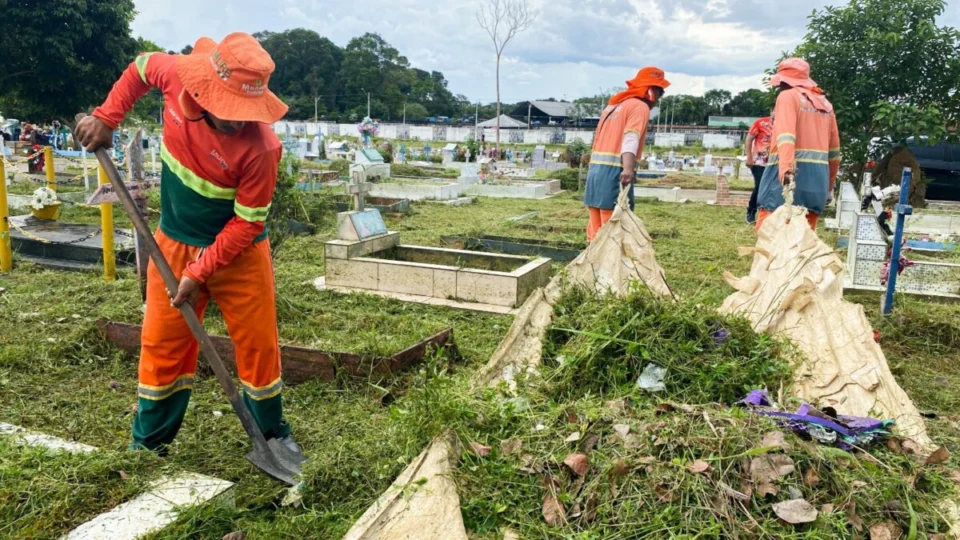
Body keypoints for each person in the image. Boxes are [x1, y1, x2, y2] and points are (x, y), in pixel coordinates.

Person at [75, 33, 298, 455]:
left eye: (246, 111)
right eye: (231, 109)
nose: (238, 121)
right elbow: (140, 66)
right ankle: (149, 445)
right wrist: (106, 117)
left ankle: (273, 437)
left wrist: (199, 272)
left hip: (240, 256)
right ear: (206, 90)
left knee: (258, 347)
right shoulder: (176, 75)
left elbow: (246, 225)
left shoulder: (263, 148)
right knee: (163, 344)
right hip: (174, 245)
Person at [584, 66, 670, 242]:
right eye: (660, 93)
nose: (658, 100)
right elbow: (631, 137)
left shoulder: (614, 106)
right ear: (651, 91)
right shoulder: (639, 107)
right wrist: (628, 169)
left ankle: (593, 264)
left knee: (596, 226)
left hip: (595, 173)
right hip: (614, 172)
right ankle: (609, 266)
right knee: (614, 227)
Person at [755, 58, 840, 232]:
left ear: (784, 81)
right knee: (804, 244)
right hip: (818, 185)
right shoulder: (825, 105)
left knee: (770, 239)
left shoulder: (788, 97)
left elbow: (786, 137)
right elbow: (834, 153)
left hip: (787, 181)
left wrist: (786, 171)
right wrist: (829, 188)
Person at [744, 108, 774, 224]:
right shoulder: (760, 123)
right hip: (759, 162)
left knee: (774, 189)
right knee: (760, 187)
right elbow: (749, 139)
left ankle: (768, 214)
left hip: (776, 163)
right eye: (776, 110)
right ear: (771, 111)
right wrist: (749, 157)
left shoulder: (784, 124)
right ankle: (751, 212)